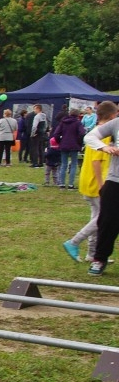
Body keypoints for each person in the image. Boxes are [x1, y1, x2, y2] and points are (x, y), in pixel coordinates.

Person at [64, 101, 117, 263]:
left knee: (98, 217)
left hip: (88, 180)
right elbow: (96, 161)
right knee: (103, 218)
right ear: (111, 116)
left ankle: (92, 253)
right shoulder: (106, 135)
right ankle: (74, 241)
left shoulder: (98, 131)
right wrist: (102, 186)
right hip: (97, 182)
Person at [84, 109, 119, 276]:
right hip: (115, 180)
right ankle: (99, 259)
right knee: (107, 221)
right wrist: (104, 147)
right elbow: (89, 137)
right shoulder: (115, 123)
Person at [51, 108, 86, 189]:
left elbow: (56, 134)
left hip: (64, 144)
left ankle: (62, 184)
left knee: (63, 164)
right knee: (73, 164)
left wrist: (60, 141)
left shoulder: (63, 122)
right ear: (77, 115)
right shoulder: (78, 123)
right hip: (74, 145)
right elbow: (82, 133)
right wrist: (79, 143)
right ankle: (70, 184)